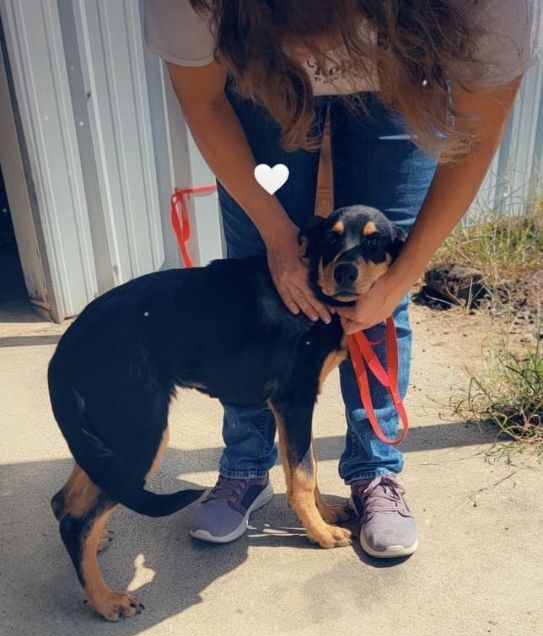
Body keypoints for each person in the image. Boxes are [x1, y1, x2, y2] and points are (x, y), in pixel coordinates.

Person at [143, 0, 541, 557]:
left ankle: (374, 470)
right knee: (255, 289)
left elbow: (475, 134)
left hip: (404, 72)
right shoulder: (196, 4)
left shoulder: (486, 7)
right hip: (257, 79)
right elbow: (203, 98)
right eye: (289, 29)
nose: (310, 57)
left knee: (380, 297)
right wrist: (277, 237)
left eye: (318, 32)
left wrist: (398, 280)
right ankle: (247, 465)